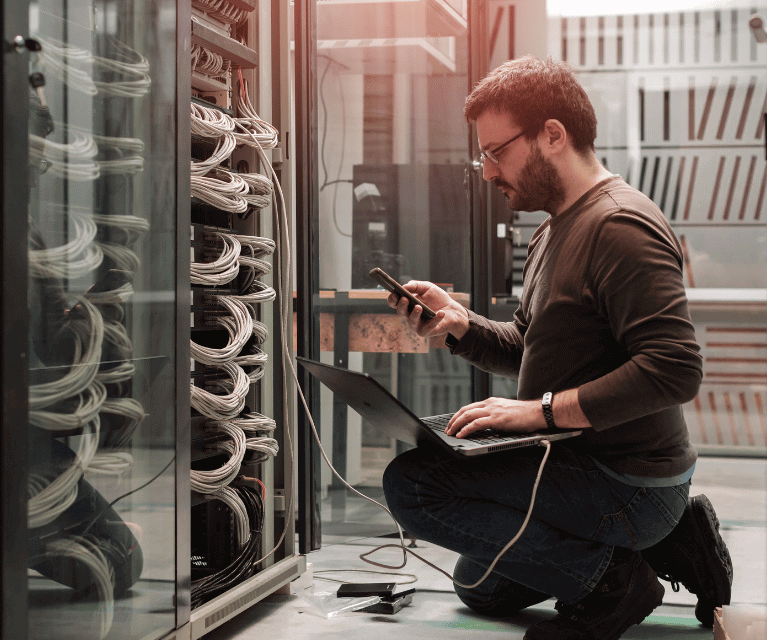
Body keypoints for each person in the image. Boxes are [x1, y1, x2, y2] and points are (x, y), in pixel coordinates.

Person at [381, 56, 732, 640]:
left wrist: (538, 413)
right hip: (583, 460)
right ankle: (677, 539)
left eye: (497, 151)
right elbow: (529, 346)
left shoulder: (619, 226)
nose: (488, 171)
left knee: (413, 484)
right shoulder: (552, 228)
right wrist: (461, 323)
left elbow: (674, 370)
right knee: (479, 586)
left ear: (552, 134)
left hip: (625, 478)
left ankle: (614, 581)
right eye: (484, 154)